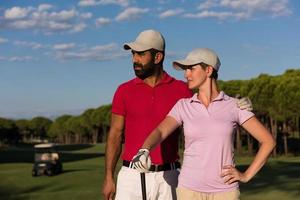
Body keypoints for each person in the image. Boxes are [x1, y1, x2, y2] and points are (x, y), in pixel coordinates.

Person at [102, 30, 253, 200]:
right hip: (131, 177)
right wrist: (109, 177)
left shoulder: (182, 89)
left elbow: (210, 98)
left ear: (158, 57)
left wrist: (236, 103)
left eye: (141, 54)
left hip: (170, 177)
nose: (134, 59)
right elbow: (115, 135)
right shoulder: (124, 91)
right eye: (133, 54)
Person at [132, 48, 275, 200]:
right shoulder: (183, 105)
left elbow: (268, 141)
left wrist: (246, 175)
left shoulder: (234, 106)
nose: (186, 74)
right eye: (185, 70)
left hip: (225, 192)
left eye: (191, 69)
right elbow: (160, 131)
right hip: (189, 191)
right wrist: (144, 150)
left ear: (208, 70)